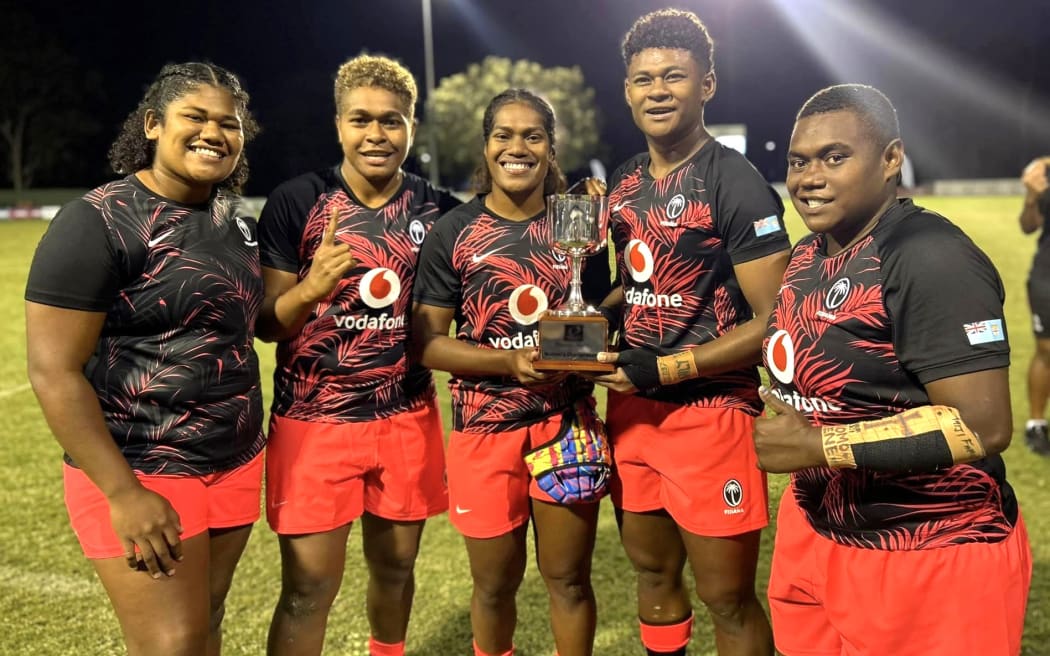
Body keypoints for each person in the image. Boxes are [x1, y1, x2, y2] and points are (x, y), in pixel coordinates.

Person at [753, 83, 1031, 655]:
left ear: (890, 159)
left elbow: (981, 425)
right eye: (798, 162)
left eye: (835, 157)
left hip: (931, 551)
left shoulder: (930, 255)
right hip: (818, 531)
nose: (809, 178)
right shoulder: (811, 252)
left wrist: (815, 447)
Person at [24, 62, 264, 655]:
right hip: (141, 464)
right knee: (171, 642)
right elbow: (53, 370)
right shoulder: (97, 220)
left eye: (229, 124)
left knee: (206, 621)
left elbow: (247, 327)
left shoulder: (237, 222)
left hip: (233, 459)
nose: (215, 133)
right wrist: (123, 493)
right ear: (154, 125)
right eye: (196, 117)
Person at [591, 8, 789, 656]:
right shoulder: (621, 184)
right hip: (633, 411)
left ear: (706, 84)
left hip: (712, 417)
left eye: (674, 76)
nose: (657, 90)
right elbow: (637, 290)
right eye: (644, 78)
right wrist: (590, 318)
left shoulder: (735, 181)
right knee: (652, 574)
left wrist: (670, 367)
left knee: (726, 598)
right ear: (627, 90)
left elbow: (776, 322)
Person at [256, 54, 459, 656]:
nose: (376, 134)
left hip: (407, 417)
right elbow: (266, 323)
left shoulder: (440, 211)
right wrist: (311, 288)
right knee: (308, 586)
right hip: (313, 424)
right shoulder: (298, 202)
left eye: (392, 121)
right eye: (361, 120)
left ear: (412, 127)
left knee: (395, 570)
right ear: (339, 125)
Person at [411, 88, 611, 656]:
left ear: (551, 147)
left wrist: (576, 350)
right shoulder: (455, 231)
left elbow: (596, 318)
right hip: (484, 432)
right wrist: (510, 362)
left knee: (568, 581)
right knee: (494, 587)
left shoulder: (577, 225)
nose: (517, 147)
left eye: (533, 135)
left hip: (565, 425)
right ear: (487, 144)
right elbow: (426, 344)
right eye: (504, 134)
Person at [1019, 155, 1050, 455]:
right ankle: (1037, 423)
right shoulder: (1045, 172)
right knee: (1046, 350)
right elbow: (1028, 226)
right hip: (1048, 276)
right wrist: (1032, 195)